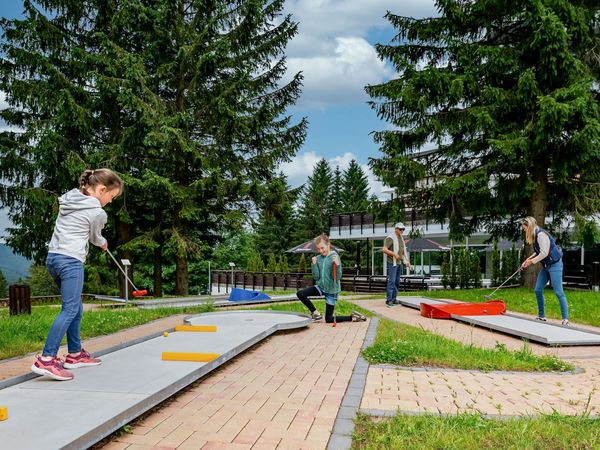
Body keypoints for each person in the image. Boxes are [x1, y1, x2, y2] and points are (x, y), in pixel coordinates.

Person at [31, 168, 123, 380]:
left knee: (75, 306)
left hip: (53, 258)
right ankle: (46, 359)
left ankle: (75, 354)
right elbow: (94, 236)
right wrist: (102, 242)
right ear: (101, 189)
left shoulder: (70, 199)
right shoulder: (98, 212)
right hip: (70, 261)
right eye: (111, 196)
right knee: (70, 308)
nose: (110, 201)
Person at [296, 234, 366, 323]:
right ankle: (315, 313)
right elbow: (316, 277)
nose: (320, 251)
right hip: (321, 287)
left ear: (328, 244)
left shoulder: (334, 256)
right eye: (318, 249)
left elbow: (337, 278)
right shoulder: (318, 258)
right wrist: (313, 265)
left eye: (322, 248)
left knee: (329, 319)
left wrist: (337, 265)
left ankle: (353, 317)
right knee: (300, 294)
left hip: (331, 290)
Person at [520, 216, 569, 326]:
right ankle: (541, 316)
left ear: (529, 226)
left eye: (524, 228)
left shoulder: (541, 235)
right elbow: (538, 251)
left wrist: (531, 262)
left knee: (558, 292)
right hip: (546, 266)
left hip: (555, 265)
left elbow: (544, 253)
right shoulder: (535, 235)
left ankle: (565, 319)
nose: (523, 230)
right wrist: (527, 260)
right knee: (538, 289)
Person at [383, 222, 411, 307]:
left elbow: (402, 252)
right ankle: (389, 300)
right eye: (400, 229)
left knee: (397, 282)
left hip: (399, 263)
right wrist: (394, 254)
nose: (402, 231)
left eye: (403, 229)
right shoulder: (390, 238)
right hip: (392, 262)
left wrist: (406, 261)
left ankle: (394, 299)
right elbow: (384, 249)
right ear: (396, 229)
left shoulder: (401, 238)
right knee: (392, 281)